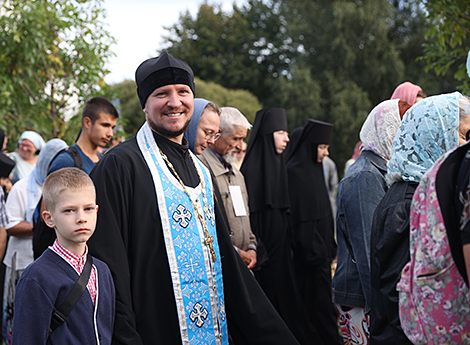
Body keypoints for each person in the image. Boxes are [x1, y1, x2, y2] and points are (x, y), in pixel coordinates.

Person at [87, 51, 300, 344]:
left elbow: (225, 256)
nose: (175, 102)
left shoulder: (200, 169)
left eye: (183, 92)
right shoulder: (119, 166)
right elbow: (108, 265)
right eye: (162, 93)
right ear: (144, 106)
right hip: (153, 329)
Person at [369, 92, 470, 345]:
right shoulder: (407, 203)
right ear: (434, 135)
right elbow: (399, 296)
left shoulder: (422, 192)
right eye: (464, 135)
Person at [241, 108, 323, 345]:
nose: (287, 138)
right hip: (261, 260)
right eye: (281, 132)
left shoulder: (279, 168)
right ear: (268, 134)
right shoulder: (249, 172)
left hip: (284, 259)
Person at [332, 99, 410, 345]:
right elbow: (369, 251)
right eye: (402, 130)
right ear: (387, 131)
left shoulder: (384, 169)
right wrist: (381, 313)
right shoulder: (365, 177)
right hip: (362, 298)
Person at [12, 167, 115, 344]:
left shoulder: (102, 271)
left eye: (88, 208)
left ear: (97, 210)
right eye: (69, 210)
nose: (81, 218)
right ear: (49, 218)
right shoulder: (36, 278)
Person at [2, 138, 67, 344]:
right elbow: (10, 225)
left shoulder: (62, 191)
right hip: (21, 263)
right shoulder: (22, 188)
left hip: (50, 267)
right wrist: (45, 227)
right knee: (20, 318)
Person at [285, 120, 342, 345]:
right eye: (322, 147)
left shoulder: (316, 169)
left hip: (321, 258)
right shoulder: (293, 172)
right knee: (312, 312)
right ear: (310, 146)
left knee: (323, 311)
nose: (326, 153)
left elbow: (324, 212)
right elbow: (299, 219)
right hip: (305, 260)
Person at [197, 107, 257, 269]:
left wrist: (251, 248)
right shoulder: (201, 169)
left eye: (242, 139)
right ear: (218, 133)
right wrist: (235, 251)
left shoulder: (236, 174)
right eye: (236, 139)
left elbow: (244, 217)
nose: (239, 146)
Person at [49, 97, 119, 175]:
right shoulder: (66, 162)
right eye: (105, 125)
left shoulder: (104, 161)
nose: (110, 134)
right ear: (87, 123)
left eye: (112, 127)